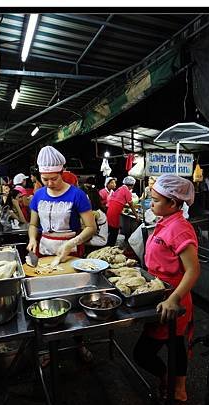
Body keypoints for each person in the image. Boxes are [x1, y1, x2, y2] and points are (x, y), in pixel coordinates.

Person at [132, 174, 200, 405]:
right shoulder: (164, 222)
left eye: (156, 200)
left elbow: (193, 270)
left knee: (144, 352)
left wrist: (173, 298)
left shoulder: (180, 229)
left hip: (174, 298)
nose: (151, 204)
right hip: (158, 293)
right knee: (174, 344)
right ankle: (176, 387)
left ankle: (171, 384)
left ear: (173, 203)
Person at [27, 145, 97, 365]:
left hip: (72, 251)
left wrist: (71, 243)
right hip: (46, 249)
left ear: (62, 172)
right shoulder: (38, 195)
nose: (49, 183)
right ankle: (48, 345)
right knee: (47, 299)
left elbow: (90, 228)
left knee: (74, 298)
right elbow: (32, 223)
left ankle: (79, 342)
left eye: (53, 178)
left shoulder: (78, 195)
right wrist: (32, 239)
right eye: (45, 178)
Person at [106, 176, 139, 246]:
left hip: (110, 211)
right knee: (114, 231)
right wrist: (136, 216)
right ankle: (110, 247)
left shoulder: (120, 189)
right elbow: (131, 205)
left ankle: (108, 246)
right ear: (132, 185)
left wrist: (127, 206)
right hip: (114, 212)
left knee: (111, 230)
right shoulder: (127, 191)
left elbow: (119, 202)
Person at [81, 185, 108, 250]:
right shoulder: (98, 210)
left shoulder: (95, 213)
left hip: (97, 243)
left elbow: (87, 232)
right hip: (96, 241)